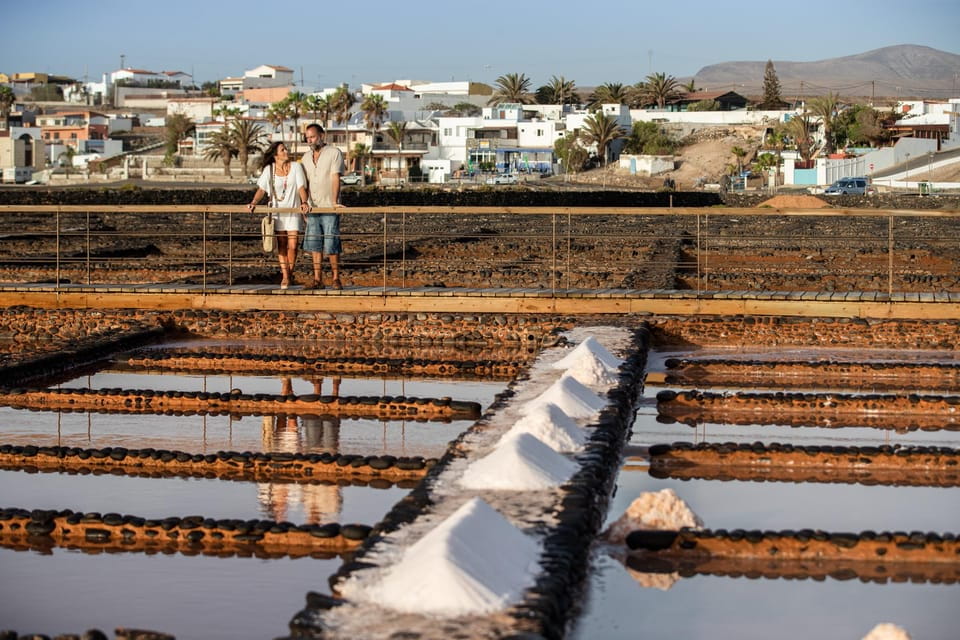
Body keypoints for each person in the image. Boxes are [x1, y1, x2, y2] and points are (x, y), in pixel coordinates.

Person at [247, 142, 310, 289]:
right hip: (277, 213)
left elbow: (301, 187)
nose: (286, 151)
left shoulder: (296, 167)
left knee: (293, 245)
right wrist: (254, 202)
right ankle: (286, 277)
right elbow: (262, 189)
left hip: (293, 212)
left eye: (286, 149)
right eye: (283, 150)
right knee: (282, 244)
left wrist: (304, 202)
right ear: (276, 155)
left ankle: (290, 273)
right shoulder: (269, 170)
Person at [301, 124, 346, 290]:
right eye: (307, 137)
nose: (310, 140)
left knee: (332, 243)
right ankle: (317, 279)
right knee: (314, 244)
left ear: (322, 135)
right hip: (312, 208)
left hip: (328, 207)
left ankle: (336, 278)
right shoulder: (305, 157)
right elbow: (303, 183)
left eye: (312, 136)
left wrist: (334, 202)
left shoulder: (334, 153)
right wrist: (304, 203)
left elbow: (335, 178)